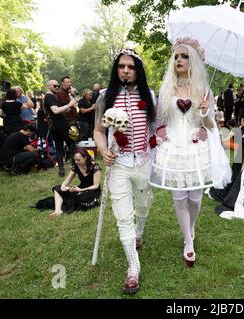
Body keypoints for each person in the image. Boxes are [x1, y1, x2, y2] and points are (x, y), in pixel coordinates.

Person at [149, 37, 231, 268]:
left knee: (195, 198)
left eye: (184, 56)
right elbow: (159, 120)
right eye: (176, 56)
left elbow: (211, 125)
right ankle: (188, 241)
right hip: (173, 146)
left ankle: (191, 226)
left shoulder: (204, 91)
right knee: (179, 197)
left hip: (196, 146)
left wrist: (205, 113)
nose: (179, 60)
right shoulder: (167, 89)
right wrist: (162, 132)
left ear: (193, 60)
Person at [94, 48, 160, 294]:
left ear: (137, 70)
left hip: (143, 161)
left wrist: (159, 141)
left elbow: (155, 125)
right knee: (123, 216)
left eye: (131, 67)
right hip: (118, 164)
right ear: (116, 69)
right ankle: (133, 268)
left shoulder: (149, 95)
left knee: (143, 204)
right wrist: (103, 150)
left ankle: (140, 231)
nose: (126, 70)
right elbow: (98, 131)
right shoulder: (105, 96)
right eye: (122, 66)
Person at [48, 148, 101, 219]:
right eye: (75, 160)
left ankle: (66, 202)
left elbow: (96, 186)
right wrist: (63, 186)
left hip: (92, 190)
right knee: (57, 188)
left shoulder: (95, 166)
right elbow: (67, 180)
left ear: (85, 158)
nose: (76, 162)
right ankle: (58, 211)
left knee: (82, 198)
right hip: (80, 188)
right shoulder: (76, 166)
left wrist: (80, 190)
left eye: (78, 160)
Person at [44, 79, 78, 177]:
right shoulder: (50, 96)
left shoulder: (50, 96)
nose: (57, 88)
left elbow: (54, 111)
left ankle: (61, 169)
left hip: (54, 126)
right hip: (61, 125)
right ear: (49, 86)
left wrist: (64, 110)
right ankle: (75, 166)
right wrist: (69, 104)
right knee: (71, 144)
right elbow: (55, 110)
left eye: (58, 86)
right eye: (55, 86)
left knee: (59, 148)